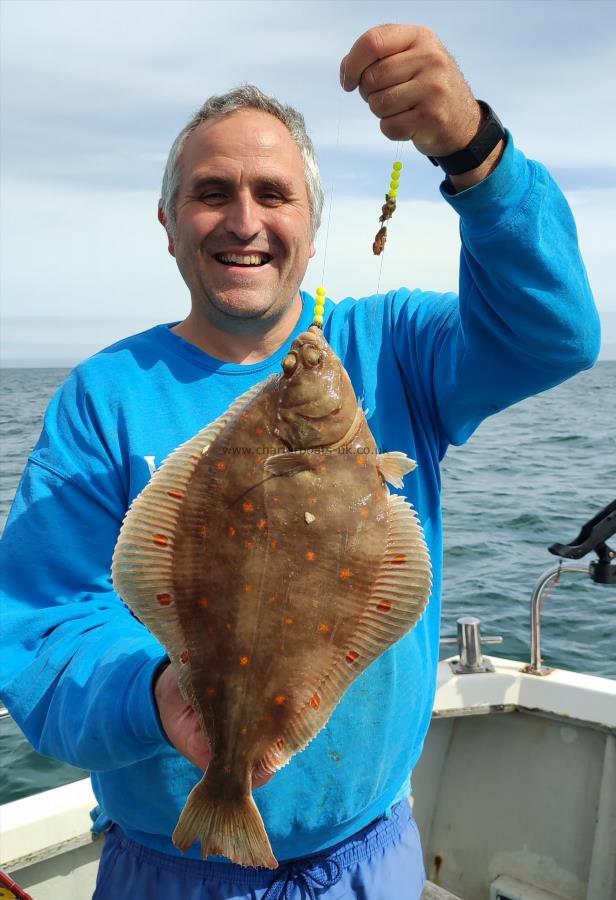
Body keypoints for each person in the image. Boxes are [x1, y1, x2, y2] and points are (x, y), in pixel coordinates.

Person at [0, 23, 600, 900]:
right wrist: (160, 695)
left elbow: (556, 332)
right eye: (212, 193)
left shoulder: (393, 346)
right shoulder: (103, 400)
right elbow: (42, 638)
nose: (244, 220)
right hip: (169, 870)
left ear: (313, 230)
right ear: (168, 225)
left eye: (273, 195)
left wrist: (474, 152)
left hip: (370, 859)